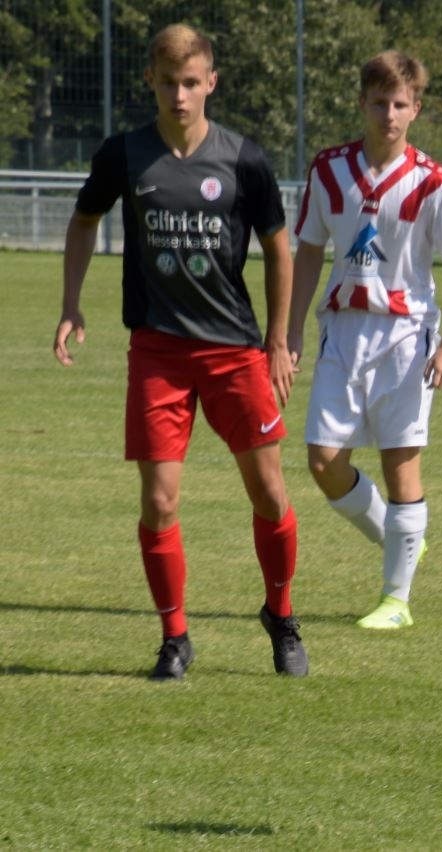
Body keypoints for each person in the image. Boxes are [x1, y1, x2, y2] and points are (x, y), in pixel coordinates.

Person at [53, 23, 306, 681]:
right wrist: (70, 302)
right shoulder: (125, 154)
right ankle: (175, 638)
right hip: (158, 352)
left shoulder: (244, 159)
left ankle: (280, 615)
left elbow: (280, 249)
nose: (180, 95)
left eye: (191, 83)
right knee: (159, 500)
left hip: (233, 351)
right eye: (168, 83)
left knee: (270, 491)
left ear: (211, 83)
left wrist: (277, 339)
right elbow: (84, 221)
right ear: (151, 83)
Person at [287, 50, 442, 630]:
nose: (388, 114)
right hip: (341, 332)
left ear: (415, 109)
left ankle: (396, 599)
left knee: (401, 467)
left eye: (400, 104)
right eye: (379, 103)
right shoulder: (328, 171)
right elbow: (311, 249)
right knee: (323, 461)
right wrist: (289, 330)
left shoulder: (432, 181)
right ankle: (404, 543)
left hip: (405, 337)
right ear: (361, 103)